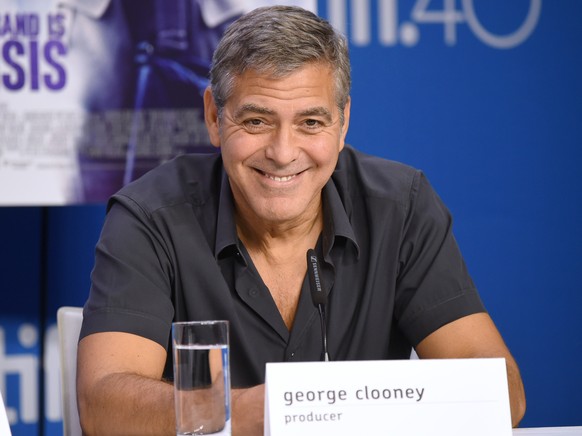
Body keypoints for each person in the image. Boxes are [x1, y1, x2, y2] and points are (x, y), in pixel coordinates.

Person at [76, 5, 526, 435]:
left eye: (311, 123)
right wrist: (247, 414)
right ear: (214, 117)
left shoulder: (401, 206)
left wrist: (334, 411)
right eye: (256, 121)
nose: (283, 152)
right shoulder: (150, 216)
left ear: (343, 122)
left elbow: (502, 394)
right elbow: (103, 404)